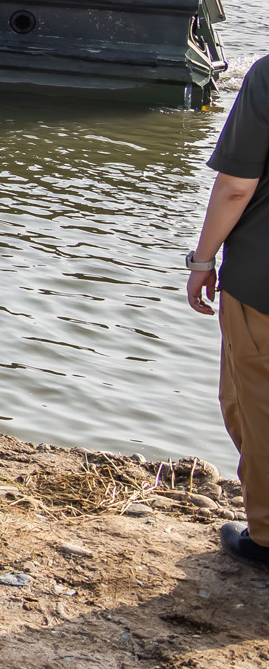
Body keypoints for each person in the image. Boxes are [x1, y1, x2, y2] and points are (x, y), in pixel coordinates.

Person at [188, 52, 269, 569]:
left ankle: (267, 534)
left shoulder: (268, 76)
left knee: (257, 410)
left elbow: (236, 186)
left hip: (261, 285)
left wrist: (202, 260)